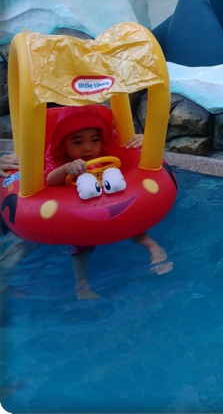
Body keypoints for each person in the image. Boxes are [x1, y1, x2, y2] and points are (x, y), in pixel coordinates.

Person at [45, 105, 173, 300]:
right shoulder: (60, 161)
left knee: (133, 223)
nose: (88, 147)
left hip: (111, 203)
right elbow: (50, 182)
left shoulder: (105, 153)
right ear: (63, 145)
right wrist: (66, 169)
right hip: (78, 216)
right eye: (78, 142)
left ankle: (152, 247)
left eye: (94, 140)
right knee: (79, 248)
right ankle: (82, 284)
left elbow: (132, 158)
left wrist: (143, 140)